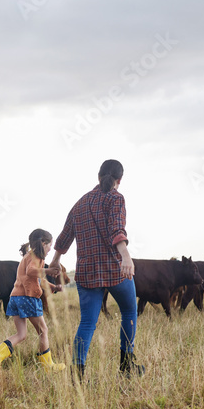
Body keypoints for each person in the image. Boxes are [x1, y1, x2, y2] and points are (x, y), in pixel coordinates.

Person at [48, 159, 144, 378]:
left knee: (88, 322)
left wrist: (55, 260)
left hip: (86, 272)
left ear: (98, 176)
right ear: (119, 180)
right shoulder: (116, 198)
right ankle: (126, 366)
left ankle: (77, 374)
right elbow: (117, 229)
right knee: (129, 311)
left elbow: (65, 236)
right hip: (114, 269)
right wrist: (126, 257)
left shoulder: (80, 203)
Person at [0, 229, 66, 374]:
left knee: (21, 335)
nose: (49, 250)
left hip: (15, 298)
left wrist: (54, 287)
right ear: (43, 243)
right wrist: (48, 271)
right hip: (27, 298)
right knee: (43, 331)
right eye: (50, 246)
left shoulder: (29, 256)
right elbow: (31, 271)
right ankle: (48, 366)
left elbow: (38, 279)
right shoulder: (37, 257)